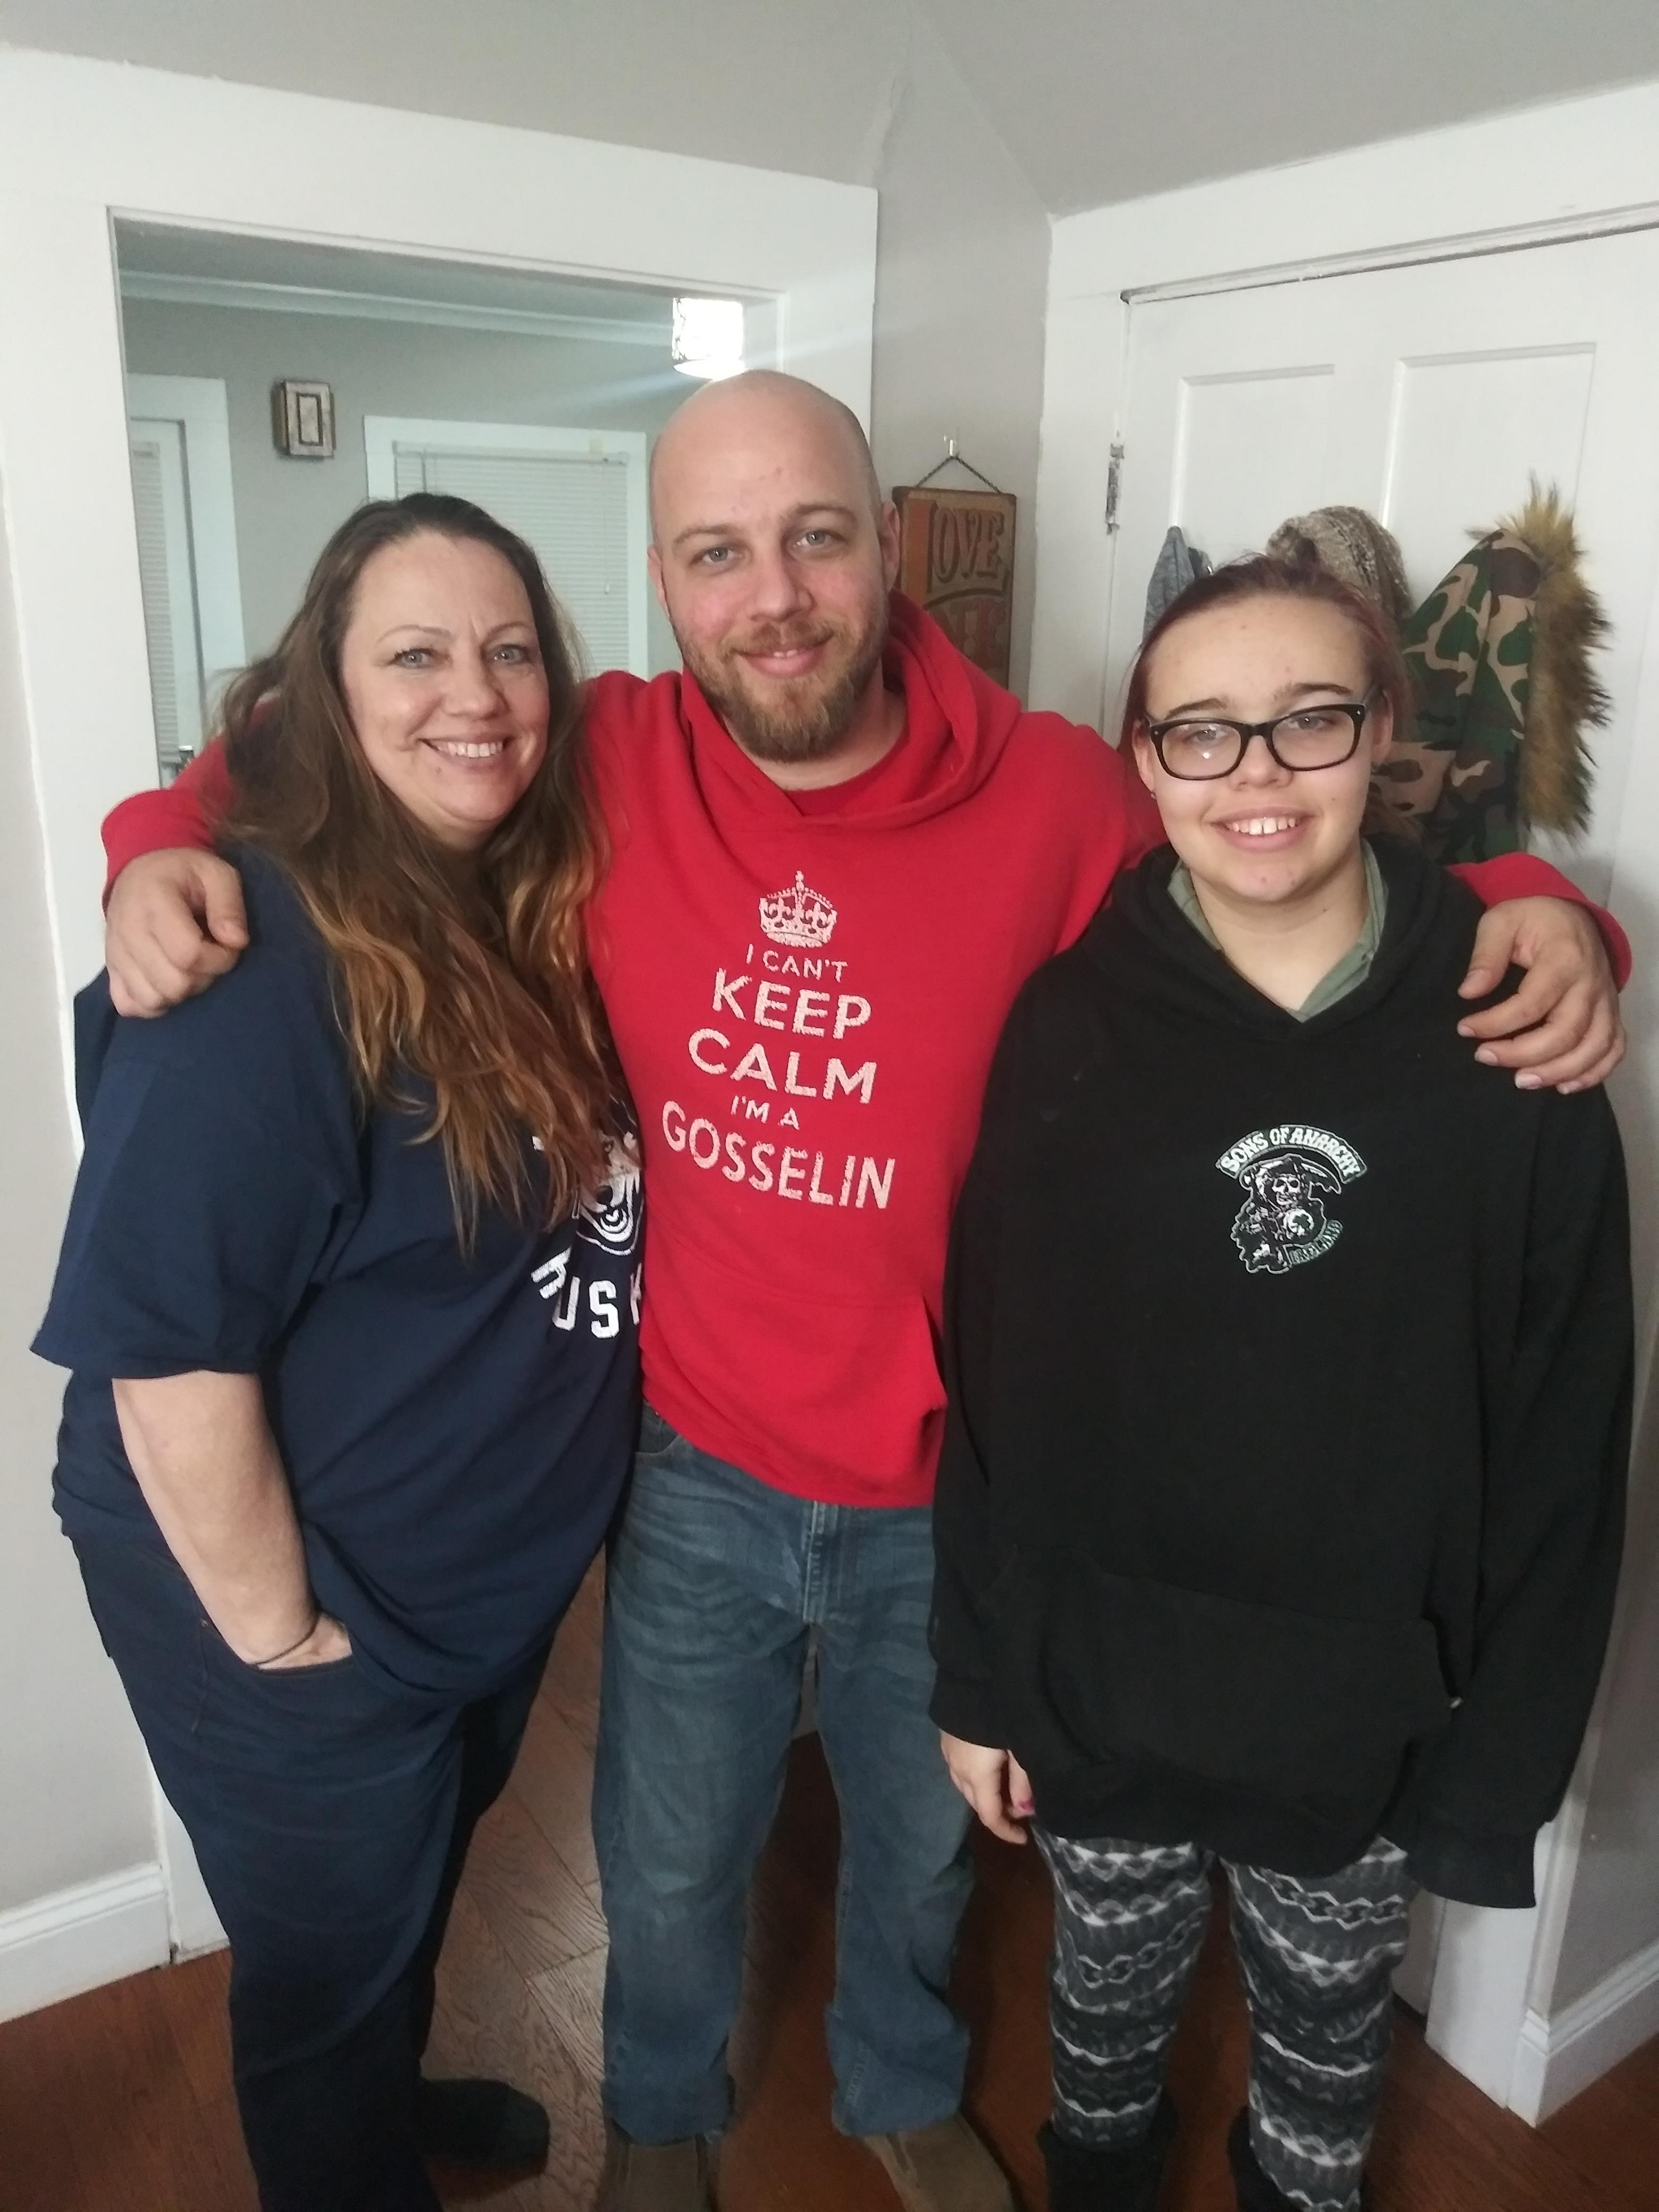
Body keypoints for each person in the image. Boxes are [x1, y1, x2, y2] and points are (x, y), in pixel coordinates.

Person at [96, 375, 1629, 2212]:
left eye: (817, 535)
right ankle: (661, 2118)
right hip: (692, 1455)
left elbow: (1291, 846)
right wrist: (155, 837)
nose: (777, 593)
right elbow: (319, 736)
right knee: (665, 1855)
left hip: (946, 1477)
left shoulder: (1069, 791)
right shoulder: (596, 748)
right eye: (717, 553)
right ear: (661, 585)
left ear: (889, 544)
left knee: (920, 1843)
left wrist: (1546, 898)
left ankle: (901, 2082)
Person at [932, 557, 1631, 2212]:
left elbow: (1564, 1438)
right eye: (1203, 735)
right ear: (1144, 758)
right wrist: (981, 1675)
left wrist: (1496, 1771)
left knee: (1323, 2070)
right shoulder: (1064, 1029)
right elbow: (996, 1384)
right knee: (1100, 2037)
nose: (1256, 778)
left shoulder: (1512, 1043)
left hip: (1364, 1718)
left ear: (1380, 734)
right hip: (1106, 1691)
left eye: (1307, 723)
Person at [35, 495, 643, 2212]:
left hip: (466, 1579)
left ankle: (386, 2092)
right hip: (296, 1596)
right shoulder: (255, 963)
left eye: (512, 648)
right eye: (418, 653)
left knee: (400, 1898)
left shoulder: (506, 895)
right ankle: (347, 2151)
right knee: (320, 1974)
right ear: (321, 693)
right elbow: (167, 1356)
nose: (479, 693)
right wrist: (281, 1630)